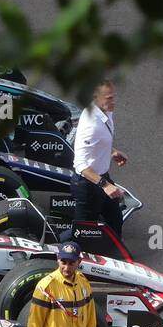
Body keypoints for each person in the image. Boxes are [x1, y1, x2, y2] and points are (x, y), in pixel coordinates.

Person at [71, 79, 128, 239]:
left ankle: (116, 258)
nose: (113, 101)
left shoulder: (105, 111)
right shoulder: (91, 125)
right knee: (83, 236)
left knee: (115, 221)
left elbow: (100, 141)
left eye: (114, 96)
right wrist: (105, 185)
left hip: (102, 178)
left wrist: (112, 151)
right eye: (109, 98)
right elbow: (80, 164)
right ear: (96, 98)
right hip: (87, 186)